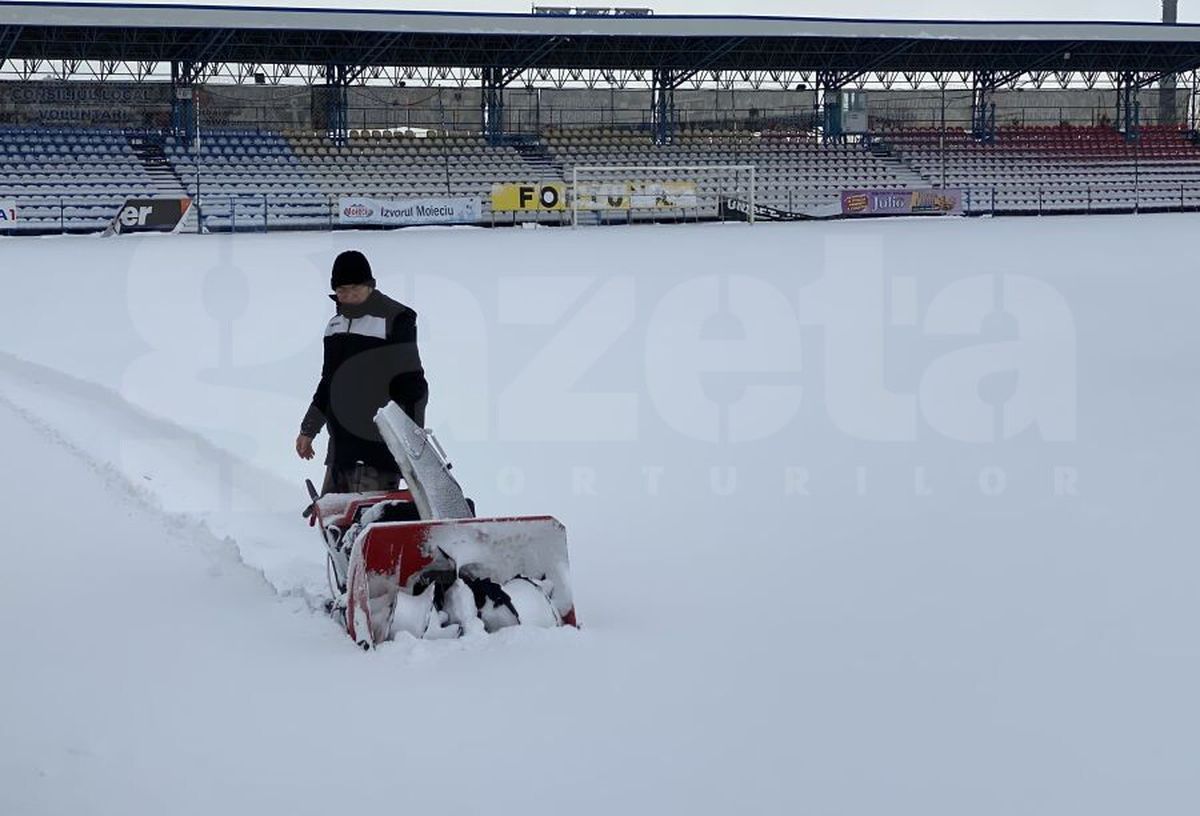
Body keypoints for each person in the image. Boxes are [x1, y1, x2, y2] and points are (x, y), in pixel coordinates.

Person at [296, 250, 429, 494]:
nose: (348, 296)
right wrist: (309, 429)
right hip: (342, 447)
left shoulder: (395, 319)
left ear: (369, 285)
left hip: (379, 447)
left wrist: (411, 440)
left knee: (371, 514)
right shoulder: (334, 326)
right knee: (332, 512)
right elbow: (328, 383)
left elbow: (412, 385)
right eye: (341, 290)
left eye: (354, 288)